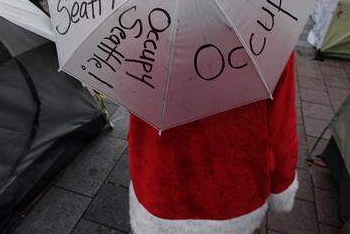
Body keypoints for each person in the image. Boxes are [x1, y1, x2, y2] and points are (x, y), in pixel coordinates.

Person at [128, 55, 299, 234]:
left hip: (160, 187)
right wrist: (282, 182)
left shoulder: (141, 35)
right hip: (235, 193)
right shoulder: (270, 34)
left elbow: (136, 113)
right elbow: (281, 124)